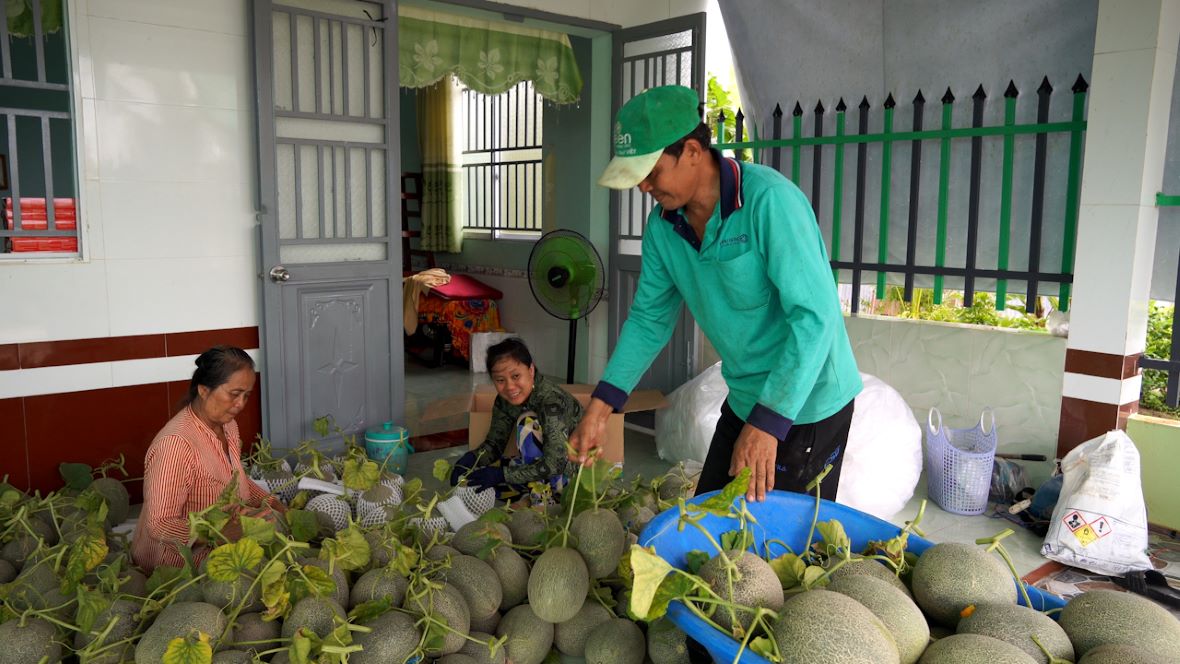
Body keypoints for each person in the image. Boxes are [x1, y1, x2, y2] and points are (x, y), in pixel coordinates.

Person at [570, 84, 862, 504]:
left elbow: (815, 318)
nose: (645, 189)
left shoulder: (770, 202)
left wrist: (769, 425)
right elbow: (649, 320)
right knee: (708, 523)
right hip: (746, 398)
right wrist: (600, 409)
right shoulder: (663, 229)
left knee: (775, 549)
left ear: (691, 150)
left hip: (808, 403)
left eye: (652, 173)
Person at [132, 346, 283, 571]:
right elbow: (159, 525)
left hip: (224, 538)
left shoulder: (229, 426)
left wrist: (274, 503)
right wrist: (215, 534)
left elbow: (236, 480)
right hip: (173, 566)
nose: (241, 404)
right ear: (203, 390)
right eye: (234, 394)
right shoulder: (176, 444)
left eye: (246, 395)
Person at [450, 337, 583, 498]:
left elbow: (555, 463)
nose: (510, 387)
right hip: (541, 467)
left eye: (516, 376)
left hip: (572, 475)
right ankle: (532, 493)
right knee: (484, 481)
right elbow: (495, 445)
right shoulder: (503, 401)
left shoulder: (551, 402)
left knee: (528, 423)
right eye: (500, 380)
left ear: (531, 370)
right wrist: (471, 459)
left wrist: (502, 475)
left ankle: (543, 502)